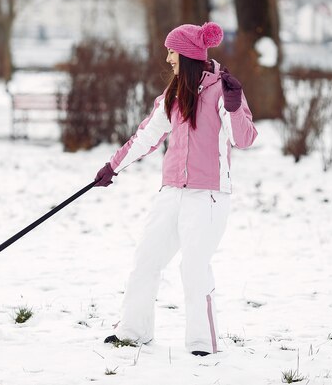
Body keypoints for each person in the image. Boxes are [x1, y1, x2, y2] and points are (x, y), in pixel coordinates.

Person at [95, 22, 257, 356]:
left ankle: (200, 343)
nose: (168, 58)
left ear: (186, 55)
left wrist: (234, 104)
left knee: (194, 268)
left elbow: (244, 139)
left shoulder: (220, 91)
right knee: (146, 260)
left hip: (209, 195)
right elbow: (146, 137)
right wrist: (113, 167)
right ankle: (132, 331)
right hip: (171, 192)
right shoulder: (171, 96)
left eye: (172, 51)